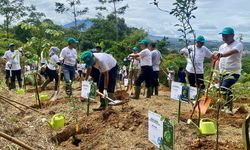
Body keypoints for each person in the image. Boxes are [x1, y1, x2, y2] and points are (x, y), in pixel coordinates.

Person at [215, 27, 243, 113]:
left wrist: (222, 55)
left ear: (232, 36)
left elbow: (232, 52)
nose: (224, 38)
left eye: (226, 36)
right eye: (223, 36)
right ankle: (228, 108)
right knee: (225, 90)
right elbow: (218, 60)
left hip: (232, 73)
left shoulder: (238, 45)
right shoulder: (222, 46)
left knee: (224, 88)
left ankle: (226, 108)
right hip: (222, 72)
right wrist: (215, 72)